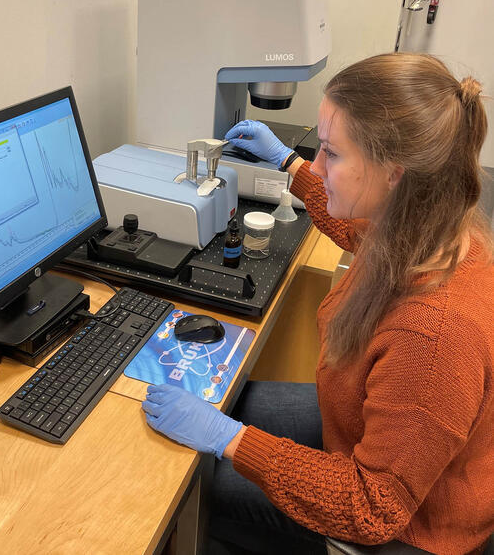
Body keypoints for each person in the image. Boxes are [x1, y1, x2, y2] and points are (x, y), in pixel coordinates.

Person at [141, 53, 494, 555]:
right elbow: (355, 230)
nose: (319, 165)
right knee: (230, 397)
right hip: (364, 431)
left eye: (332, 153)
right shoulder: (432, 231)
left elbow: (372, 506)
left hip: (411, 529)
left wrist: (230, 440)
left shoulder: (434, 336)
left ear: (393, 174)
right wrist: (288, 161)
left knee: (196, 480)